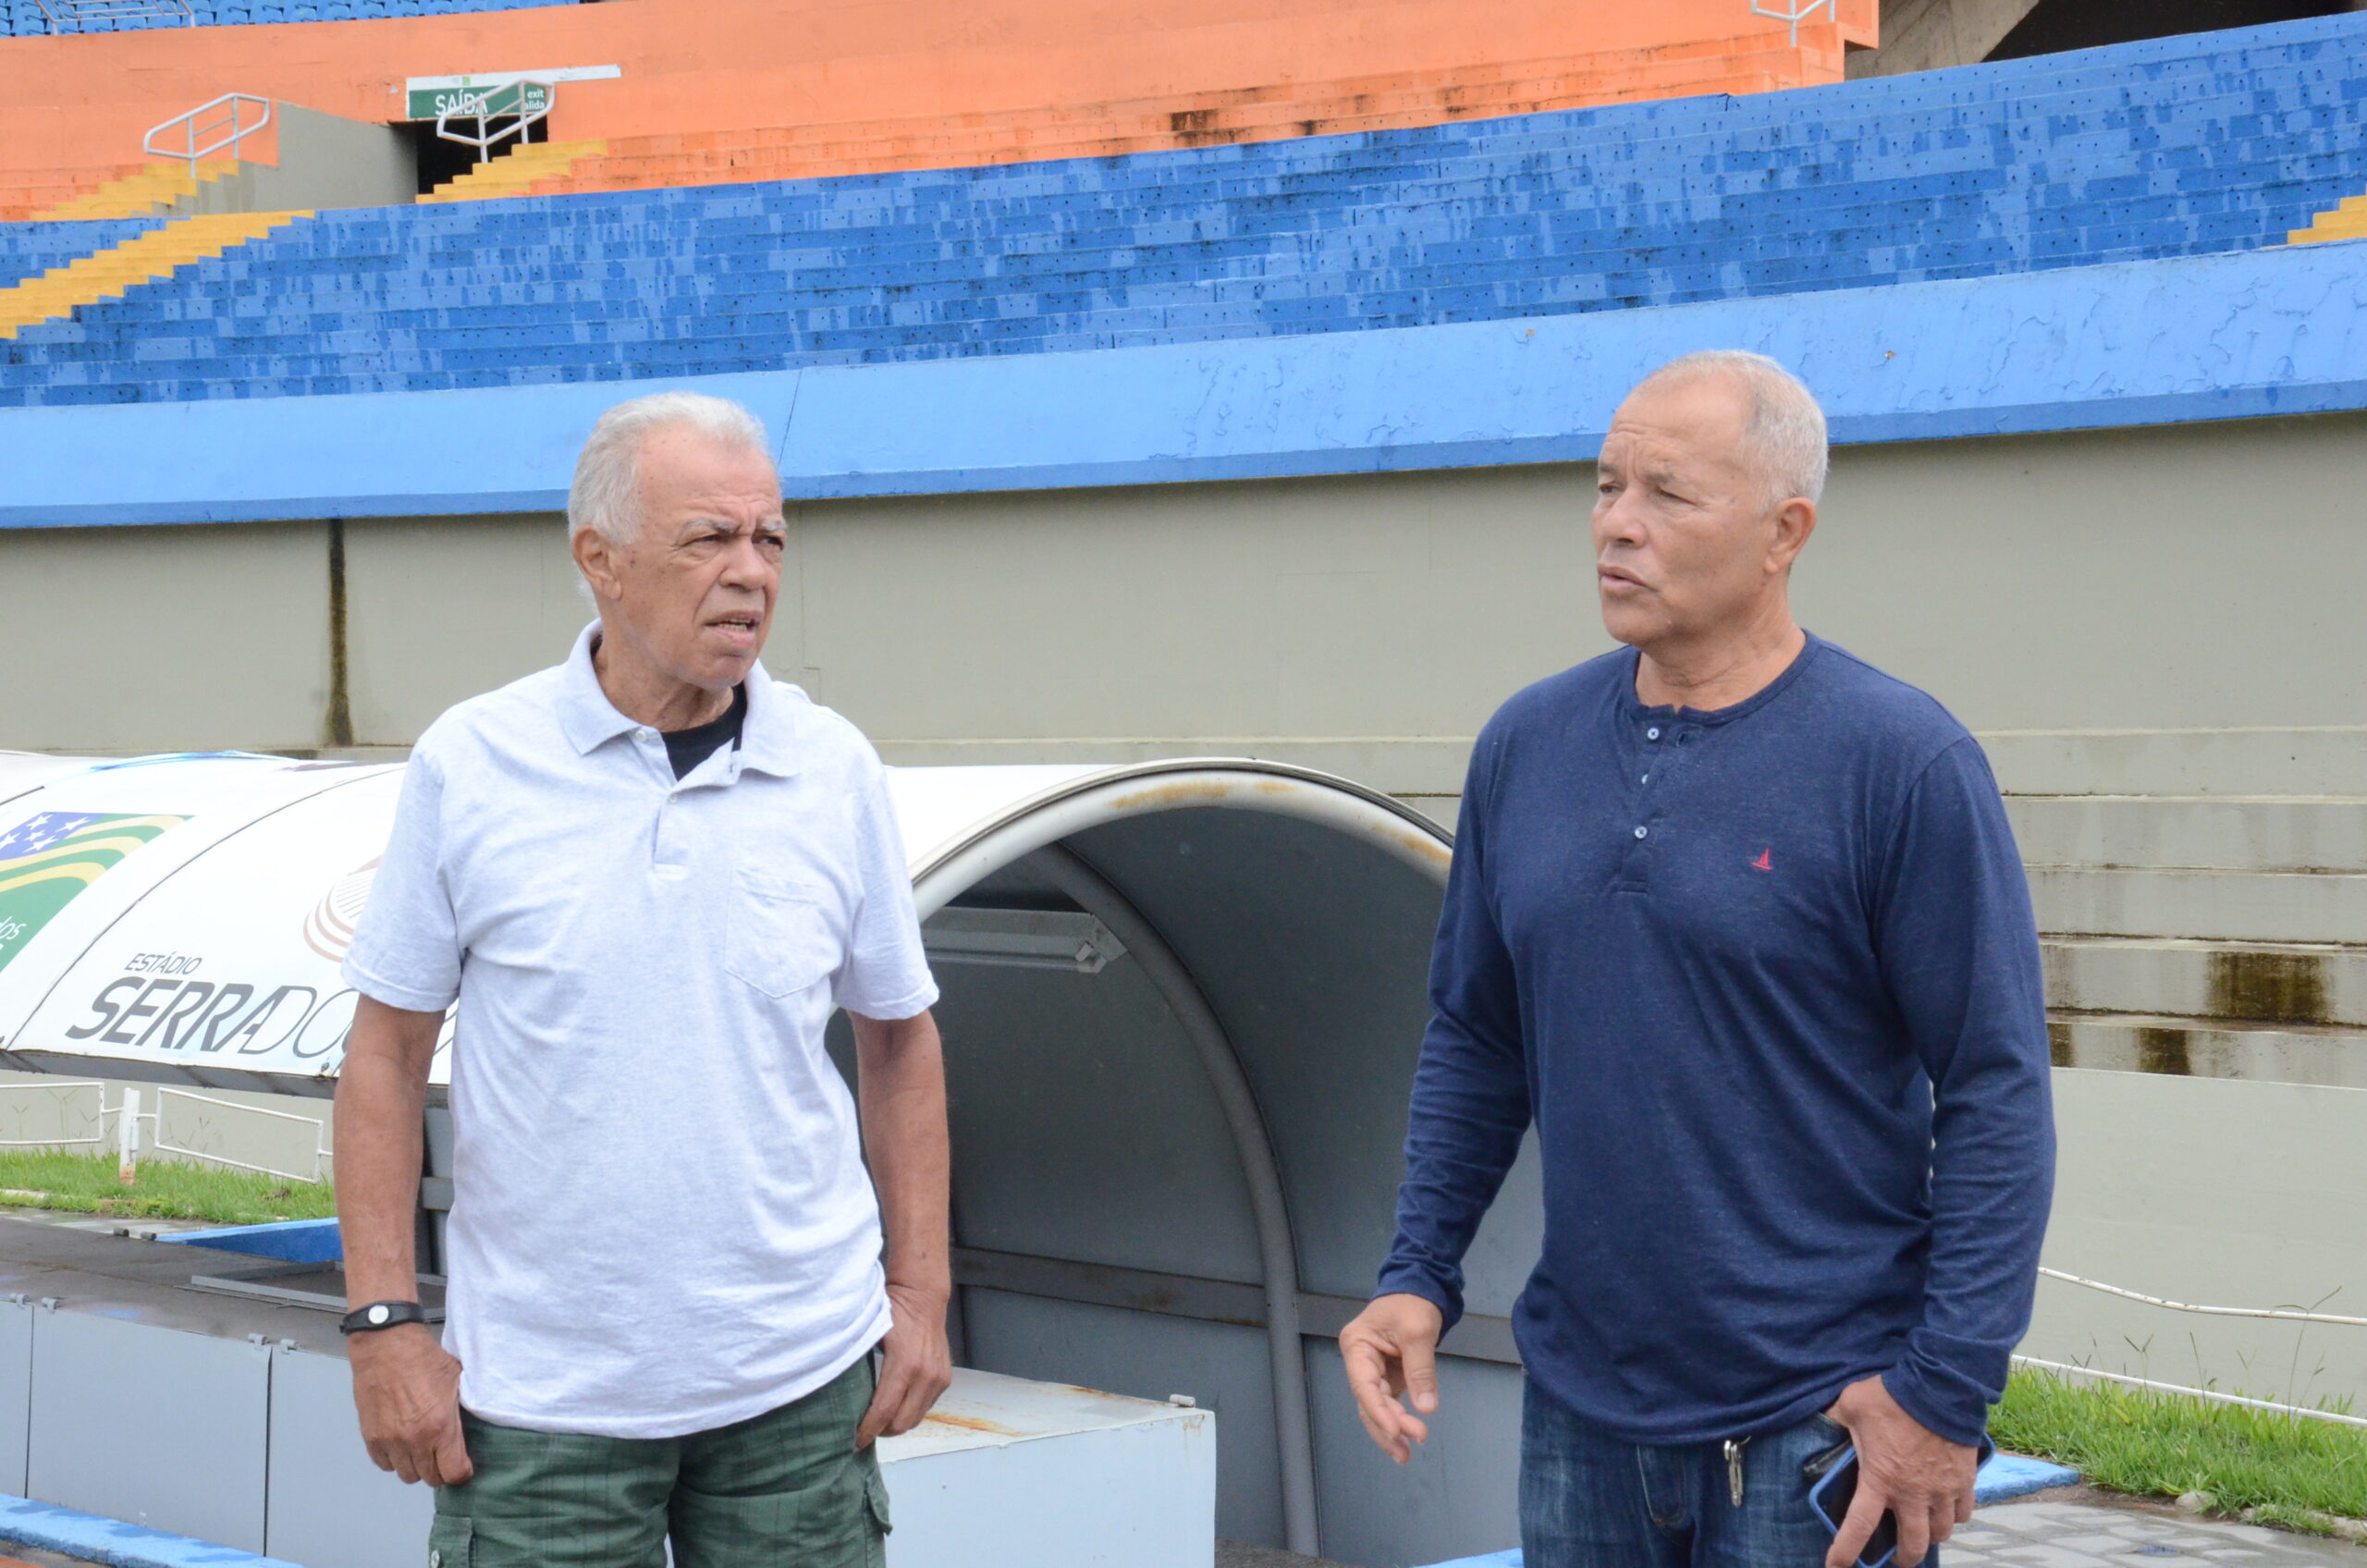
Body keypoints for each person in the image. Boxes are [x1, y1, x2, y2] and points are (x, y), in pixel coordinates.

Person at [1338, 351, 2054, 1568]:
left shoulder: (1900, 763)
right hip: (1580, 1419)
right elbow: (1478, 1035)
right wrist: (1420, 1272)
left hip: (1820, 1431)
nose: (1616, 526)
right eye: (1606, 486)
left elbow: (1995, 1087)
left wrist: (1945, 1397)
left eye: (1667, 496)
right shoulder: (1527, 745)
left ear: (1786, 532)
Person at [334, 390, 950, 1568]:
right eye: (708, 538)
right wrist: (383, 1327)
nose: (751, 573)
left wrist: (920, 1292)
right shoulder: (474, 764)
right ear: (601, 561)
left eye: (769, 539)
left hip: (802, 1392)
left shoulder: (833, 768)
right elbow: (384, 1054)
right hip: (540, 1413)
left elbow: (899, 1037)